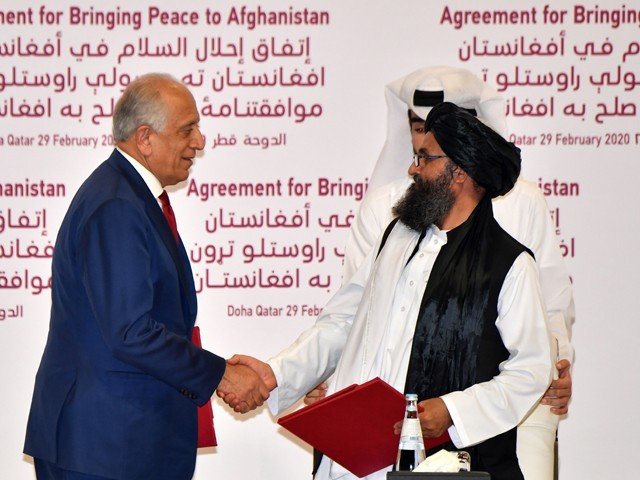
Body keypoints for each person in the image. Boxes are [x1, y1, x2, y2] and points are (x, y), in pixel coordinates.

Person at [226, 102, 554, 480]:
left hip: (441, 462)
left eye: (425, 159)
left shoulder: (509, 263)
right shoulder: (395, 237)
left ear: (458, 173)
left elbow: (530, 370)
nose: (412, 168)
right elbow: (342, 324)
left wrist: (453, 410)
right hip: (357, 458)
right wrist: (275, 374)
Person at [306, 66, 574, 480]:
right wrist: (324, 375)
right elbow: (358, 316)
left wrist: (558, 364)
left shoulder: (519, 227)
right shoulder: (393, 220)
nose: (415, 163)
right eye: (416, 128)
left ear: (463, 167)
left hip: (484, 421)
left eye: (427, 153)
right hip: (380, 423)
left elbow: (545, 320)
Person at [23, 73, 269, 480]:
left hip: (119, 443)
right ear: (145, 138)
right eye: (187, 129)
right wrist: (221, 374)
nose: (200, 141)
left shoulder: (128, 196)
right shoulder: (117, 205)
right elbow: (131, 331)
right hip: (106, 448)